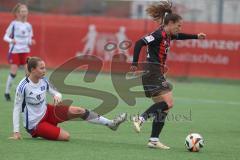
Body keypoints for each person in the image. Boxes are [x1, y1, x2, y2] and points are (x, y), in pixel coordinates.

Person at [130, 2, 206, 149]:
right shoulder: (159, 34)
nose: (180, 28)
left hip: (154, 72)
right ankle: (140, 118)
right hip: (152, 71)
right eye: (178, 25)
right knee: (169, 103)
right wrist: (134, 63)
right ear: (170, 23)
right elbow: (139, 42)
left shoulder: (168, 35)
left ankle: (153, 140)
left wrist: (196, 36)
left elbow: (181, 36)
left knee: (163, 108)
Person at [10, 57, 127, 141]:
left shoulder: (44, 80)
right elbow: (16, 108)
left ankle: (110, 123)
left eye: (45, 68)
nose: (44, 70)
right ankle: (43, 131)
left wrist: (57, 96)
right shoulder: (23, 86)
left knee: (80, 111)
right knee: (66, 137)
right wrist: (16, 132)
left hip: (48, 111)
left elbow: (56, 93)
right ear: (33, 70)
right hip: (35, 124)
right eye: (41, 68)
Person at [3, 3, 35, 101]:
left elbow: (29, 39)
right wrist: (11, 40)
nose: (24, 13)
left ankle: (28, 93)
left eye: (25, 11)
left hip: (25, 51)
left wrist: (31, 41)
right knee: (14, 72)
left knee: (29, 73)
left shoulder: (29, 26)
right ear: (17, 13)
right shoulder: (13, 24)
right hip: (15, 51)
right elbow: (5, 37)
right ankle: (7, 92)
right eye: (22, 11)